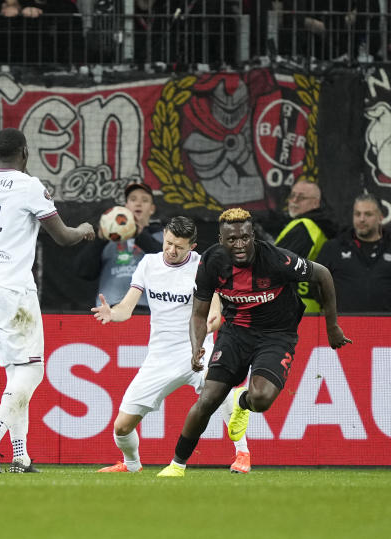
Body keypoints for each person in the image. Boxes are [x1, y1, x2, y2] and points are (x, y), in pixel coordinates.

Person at [0, 127, 95, 474]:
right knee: (33, 369)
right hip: (14, 290)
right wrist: (85, 229)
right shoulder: (30, 187)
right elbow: (64, 238)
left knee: (16, 371)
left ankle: (21, 456)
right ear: (25, 152)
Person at [159, 207, 351, 478]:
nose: (239, 245)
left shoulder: (276, 259)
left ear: (253, 235)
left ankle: (242, 401)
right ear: (221, 239)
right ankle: (176, 466)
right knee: (208, 399)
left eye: (245, 238)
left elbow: (323, 275)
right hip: (235, 332)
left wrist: (332, 326)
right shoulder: (212, 262)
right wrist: (196, 346)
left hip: (277, 334)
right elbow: (199, 312)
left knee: (260, 399)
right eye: (232, 239)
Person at [91, 216, 251, 474]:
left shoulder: (204, 267)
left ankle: (242, 453)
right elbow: (126, 309)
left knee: (219, 386)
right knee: (121, 427)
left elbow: (215, 316)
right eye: (168, 243)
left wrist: (204, 332)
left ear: (193, 246)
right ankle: (131, 465)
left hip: (197, 350)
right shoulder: (148, 263)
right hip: (159, 358)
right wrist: (113, 313)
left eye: (179, 246)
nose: (171, 250)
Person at [315, 194, 391, 313]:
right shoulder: (333, 248)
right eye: (357, 214)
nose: (361, 219)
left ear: (381, 217)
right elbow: (315, 284)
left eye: (368, 214)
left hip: (387, 326)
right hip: (343, 325)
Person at [74, 181, 163, 313]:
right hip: (109, 310)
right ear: (126, 207)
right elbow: (84, 272)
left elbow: (171, 265)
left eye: (145, 200)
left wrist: (139, 234)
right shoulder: (108, 238)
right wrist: (99, 240)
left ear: (152, 209)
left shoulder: (162, 235)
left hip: (148, 310)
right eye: (133, 199)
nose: (138, 203)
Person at [274, 180, 340, 313]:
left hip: (291, 307)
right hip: (310, 305)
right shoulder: (321, 227)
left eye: (301, 197)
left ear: (316, 203)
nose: (294, 200)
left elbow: (276, 265)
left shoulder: (305, 226)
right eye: (292, 195)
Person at [15, 0, 82, 64]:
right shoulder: (18, 5)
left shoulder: (68, 7)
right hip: (22, 65)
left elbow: (76, 43)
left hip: (59, 65)